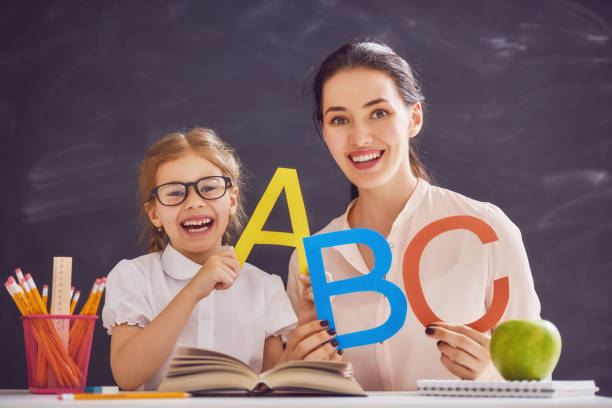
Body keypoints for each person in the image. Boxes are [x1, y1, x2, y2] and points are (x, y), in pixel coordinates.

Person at [287, 41, 541, 390]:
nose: (359, 137)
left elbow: (540, 387)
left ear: (414, 118)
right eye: (340, 119)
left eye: (379, 113)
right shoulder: (310, 258)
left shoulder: (486, 231)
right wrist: (300, 375)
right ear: (325, 132)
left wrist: (493, 377)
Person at [102, 127, 333, 391]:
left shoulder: (264, 286)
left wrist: (302, 342)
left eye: (209, 188)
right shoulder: (133, 276)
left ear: (232, 200)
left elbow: (272, 383)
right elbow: (127, 375)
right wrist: (192, 291)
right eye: (175, 193)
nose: (194, 202)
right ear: (154, 214)